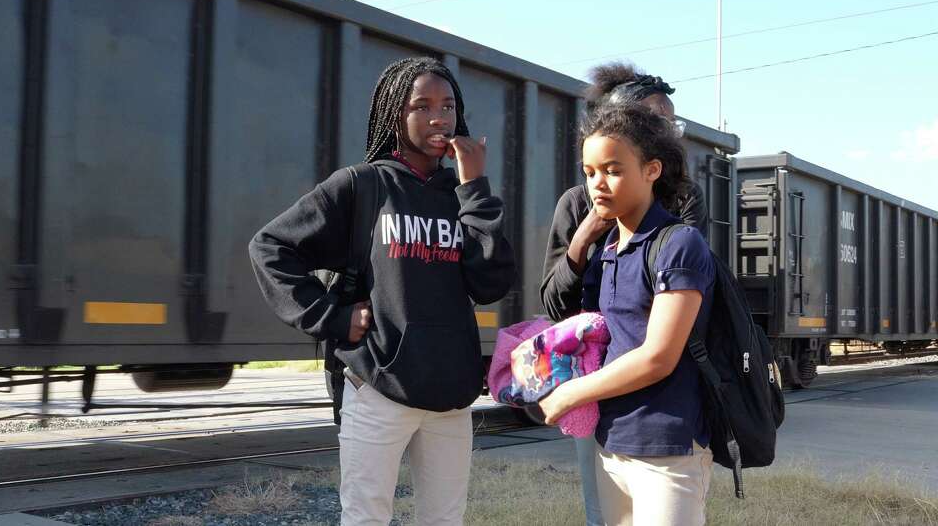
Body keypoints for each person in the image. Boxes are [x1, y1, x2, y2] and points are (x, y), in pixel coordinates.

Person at [249, 57, 515, 526]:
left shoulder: (464, 194)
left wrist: (475, 186)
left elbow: (492, 282)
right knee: (367, 517)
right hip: (378, 387)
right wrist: (332, 316)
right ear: (396, 115)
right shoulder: (363, 185)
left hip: (450, 397)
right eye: (423, 106)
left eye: (449, 106)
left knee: (443, 519)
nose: (439, 118)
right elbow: (271, 247)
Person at [539, 62, 708, 526]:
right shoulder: (583, 208)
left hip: (663, 419)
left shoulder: (678, 222)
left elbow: (661, 339)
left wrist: (573, 392)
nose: (665, 130)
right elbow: (555, 304)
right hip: (607, 412)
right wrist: (584, 239)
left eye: (667, 122)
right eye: (591, 171)